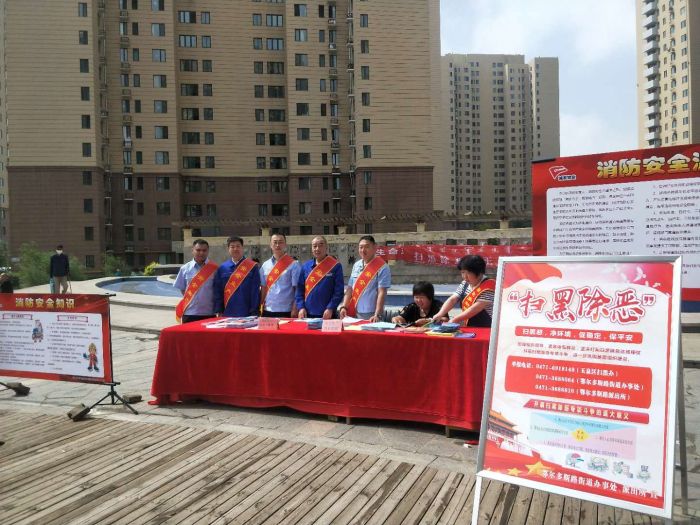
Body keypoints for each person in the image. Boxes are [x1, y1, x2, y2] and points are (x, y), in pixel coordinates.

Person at [430, 255, 495, 328]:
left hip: (486, 328)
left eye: (468, 273)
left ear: (479, 272)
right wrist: (440, 314)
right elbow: (453, 299)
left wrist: (454, 320)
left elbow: (475, 308)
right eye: (463, 272)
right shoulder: (465, 283)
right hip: (470, 326)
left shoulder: (489, 286)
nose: (465, 277)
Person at [339, 235, 391, 322]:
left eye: (367, 247)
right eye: (361, 247)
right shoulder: (356, 265)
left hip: (372, 314)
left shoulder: (383, 267)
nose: (363, 250)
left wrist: (377, 314)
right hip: (354, 311)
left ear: (375, 248)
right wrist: (344, 306)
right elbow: (350, 288)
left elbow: (382, 292)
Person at [295, 236, 344, 319]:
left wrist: (330, 308)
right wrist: (301, 307)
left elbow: (339, 291)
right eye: (314, 246)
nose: (317, 249)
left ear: (326, 247)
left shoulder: (335, 266)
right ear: (311, 249)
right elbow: (299, 290)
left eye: (321, 245)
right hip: (307, 313)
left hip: (328, 313)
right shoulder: (305, 266)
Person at [214, 236, 261, 317]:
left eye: (238, 246)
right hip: (227, 312)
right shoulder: (222, 268)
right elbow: (218, 290)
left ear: (242, 248)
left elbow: (255, 291)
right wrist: (218, 309)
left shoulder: (252, 266)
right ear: (228, 249)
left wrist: (254, 310)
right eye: (232, 247)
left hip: (247, 312)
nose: (235, 249)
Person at [173, 239, 218, 323]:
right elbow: (182, 289)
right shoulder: (185, 268)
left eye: (204, 250)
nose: (201, 253)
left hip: (209, 313)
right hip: (189, 313)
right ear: (192, 250)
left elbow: (218, 290)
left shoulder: (215, 269)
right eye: (198, 250)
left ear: (208, 251)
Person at [260, 233, 301, 318]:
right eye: (275, 242)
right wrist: (260, 305)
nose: (277, 245)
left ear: (285, 244)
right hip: (268, 309)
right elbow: (263, 288)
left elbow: (297, 289)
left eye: (280, 242)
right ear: (270, 245)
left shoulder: (294, 265)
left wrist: (295, 308)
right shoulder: (265, 265)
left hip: (286, 310)